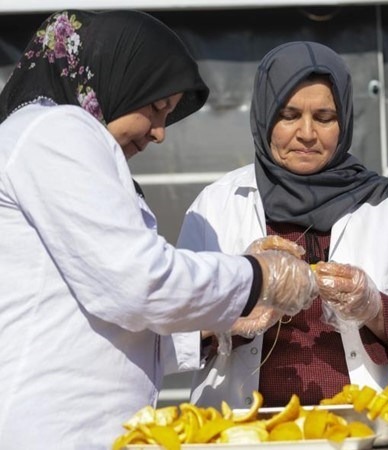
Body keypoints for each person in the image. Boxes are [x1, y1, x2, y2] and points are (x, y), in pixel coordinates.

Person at [0, 11, 316, 448]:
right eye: (155, 107)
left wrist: (219, 325)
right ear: (117, 77)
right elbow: (138, 283)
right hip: (51, 429)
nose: (161, 133)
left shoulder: (51, 139)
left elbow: (101, 320)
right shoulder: (58, 130)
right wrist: (259, 275)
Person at [173, 41, 388, 443]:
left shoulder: (385, 205)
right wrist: (231, 308)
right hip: (244, 434)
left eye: (324, 117)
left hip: (367, 435)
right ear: (265, 116)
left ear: (344, 123)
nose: (306, 134)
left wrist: (374, 308)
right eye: (289, 115)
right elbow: (168, 331)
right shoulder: (216, 207)